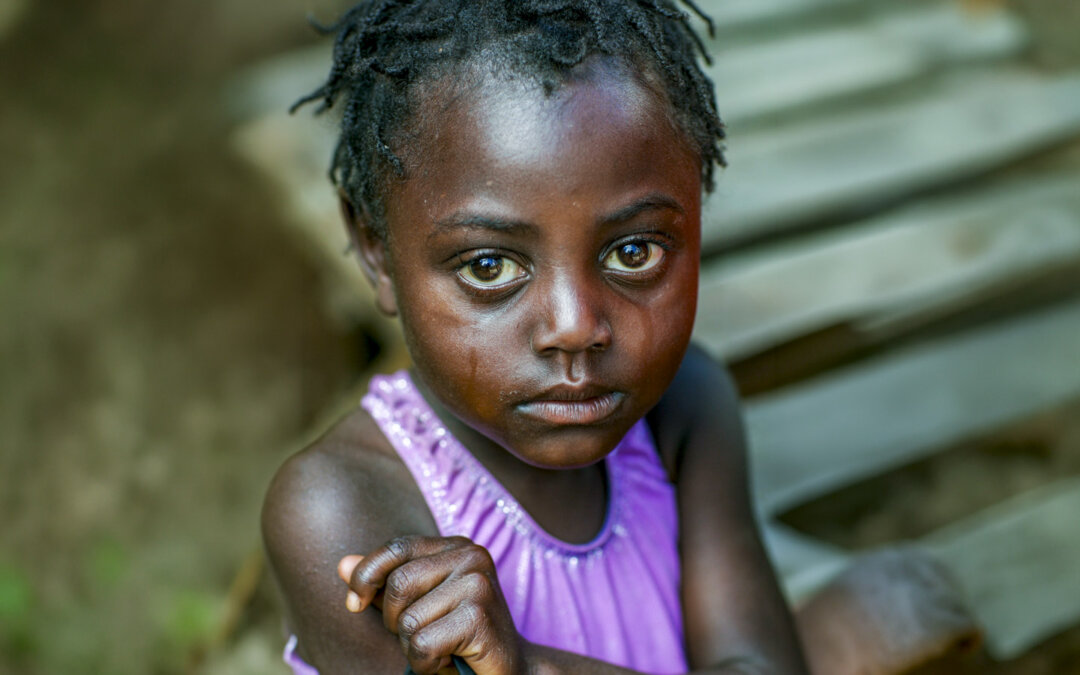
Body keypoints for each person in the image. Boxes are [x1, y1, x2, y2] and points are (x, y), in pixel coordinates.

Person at [261, 1, 811, 673]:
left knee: (897, 604)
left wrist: (528, 667)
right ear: (376, 250)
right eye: (489, 266)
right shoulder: (342, 508)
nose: (574, 327)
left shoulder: (685, 409)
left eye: (634, 252)